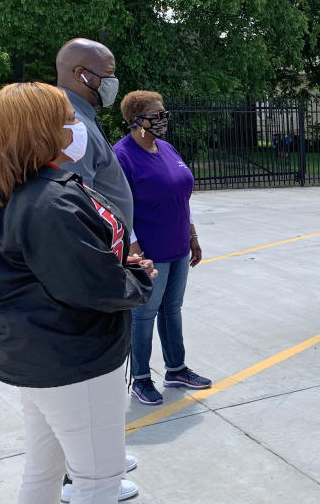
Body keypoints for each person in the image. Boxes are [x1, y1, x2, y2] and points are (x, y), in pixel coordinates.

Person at [0, 82, 155, 503]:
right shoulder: (50, 203)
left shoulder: (14, 194)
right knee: (98, 482)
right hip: (72, 361)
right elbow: (93, 285)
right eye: (68, 120)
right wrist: (139, 278)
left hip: (38, 358)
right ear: (43, 130)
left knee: (44, 470)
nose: (76, 127)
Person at [55, 38, 141, 501]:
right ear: (79, 73)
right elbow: (75, 204)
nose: (111, 82)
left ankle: (99, 455)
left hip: (108, 256)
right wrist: (114, 256)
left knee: (108, 368)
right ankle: (85, 474)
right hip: (98, 265)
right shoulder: (73, 125)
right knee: (96, 373)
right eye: (105, 74)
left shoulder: (81, 118)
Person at [115, 91, 212, 405]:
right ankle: (141, 378)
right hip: (149, 251)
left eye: (164, 113)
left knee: (172, 310)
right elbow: (120, 206)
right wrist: (135, 250)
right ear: (136, 120)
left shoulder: (166, 149)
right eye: (156, 115)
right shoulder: (123, 155)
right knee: (144, 314)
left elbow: (181, 194)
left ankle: (176, 368)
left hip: (178, 245)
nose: (163, 119)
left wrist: (193, 235)